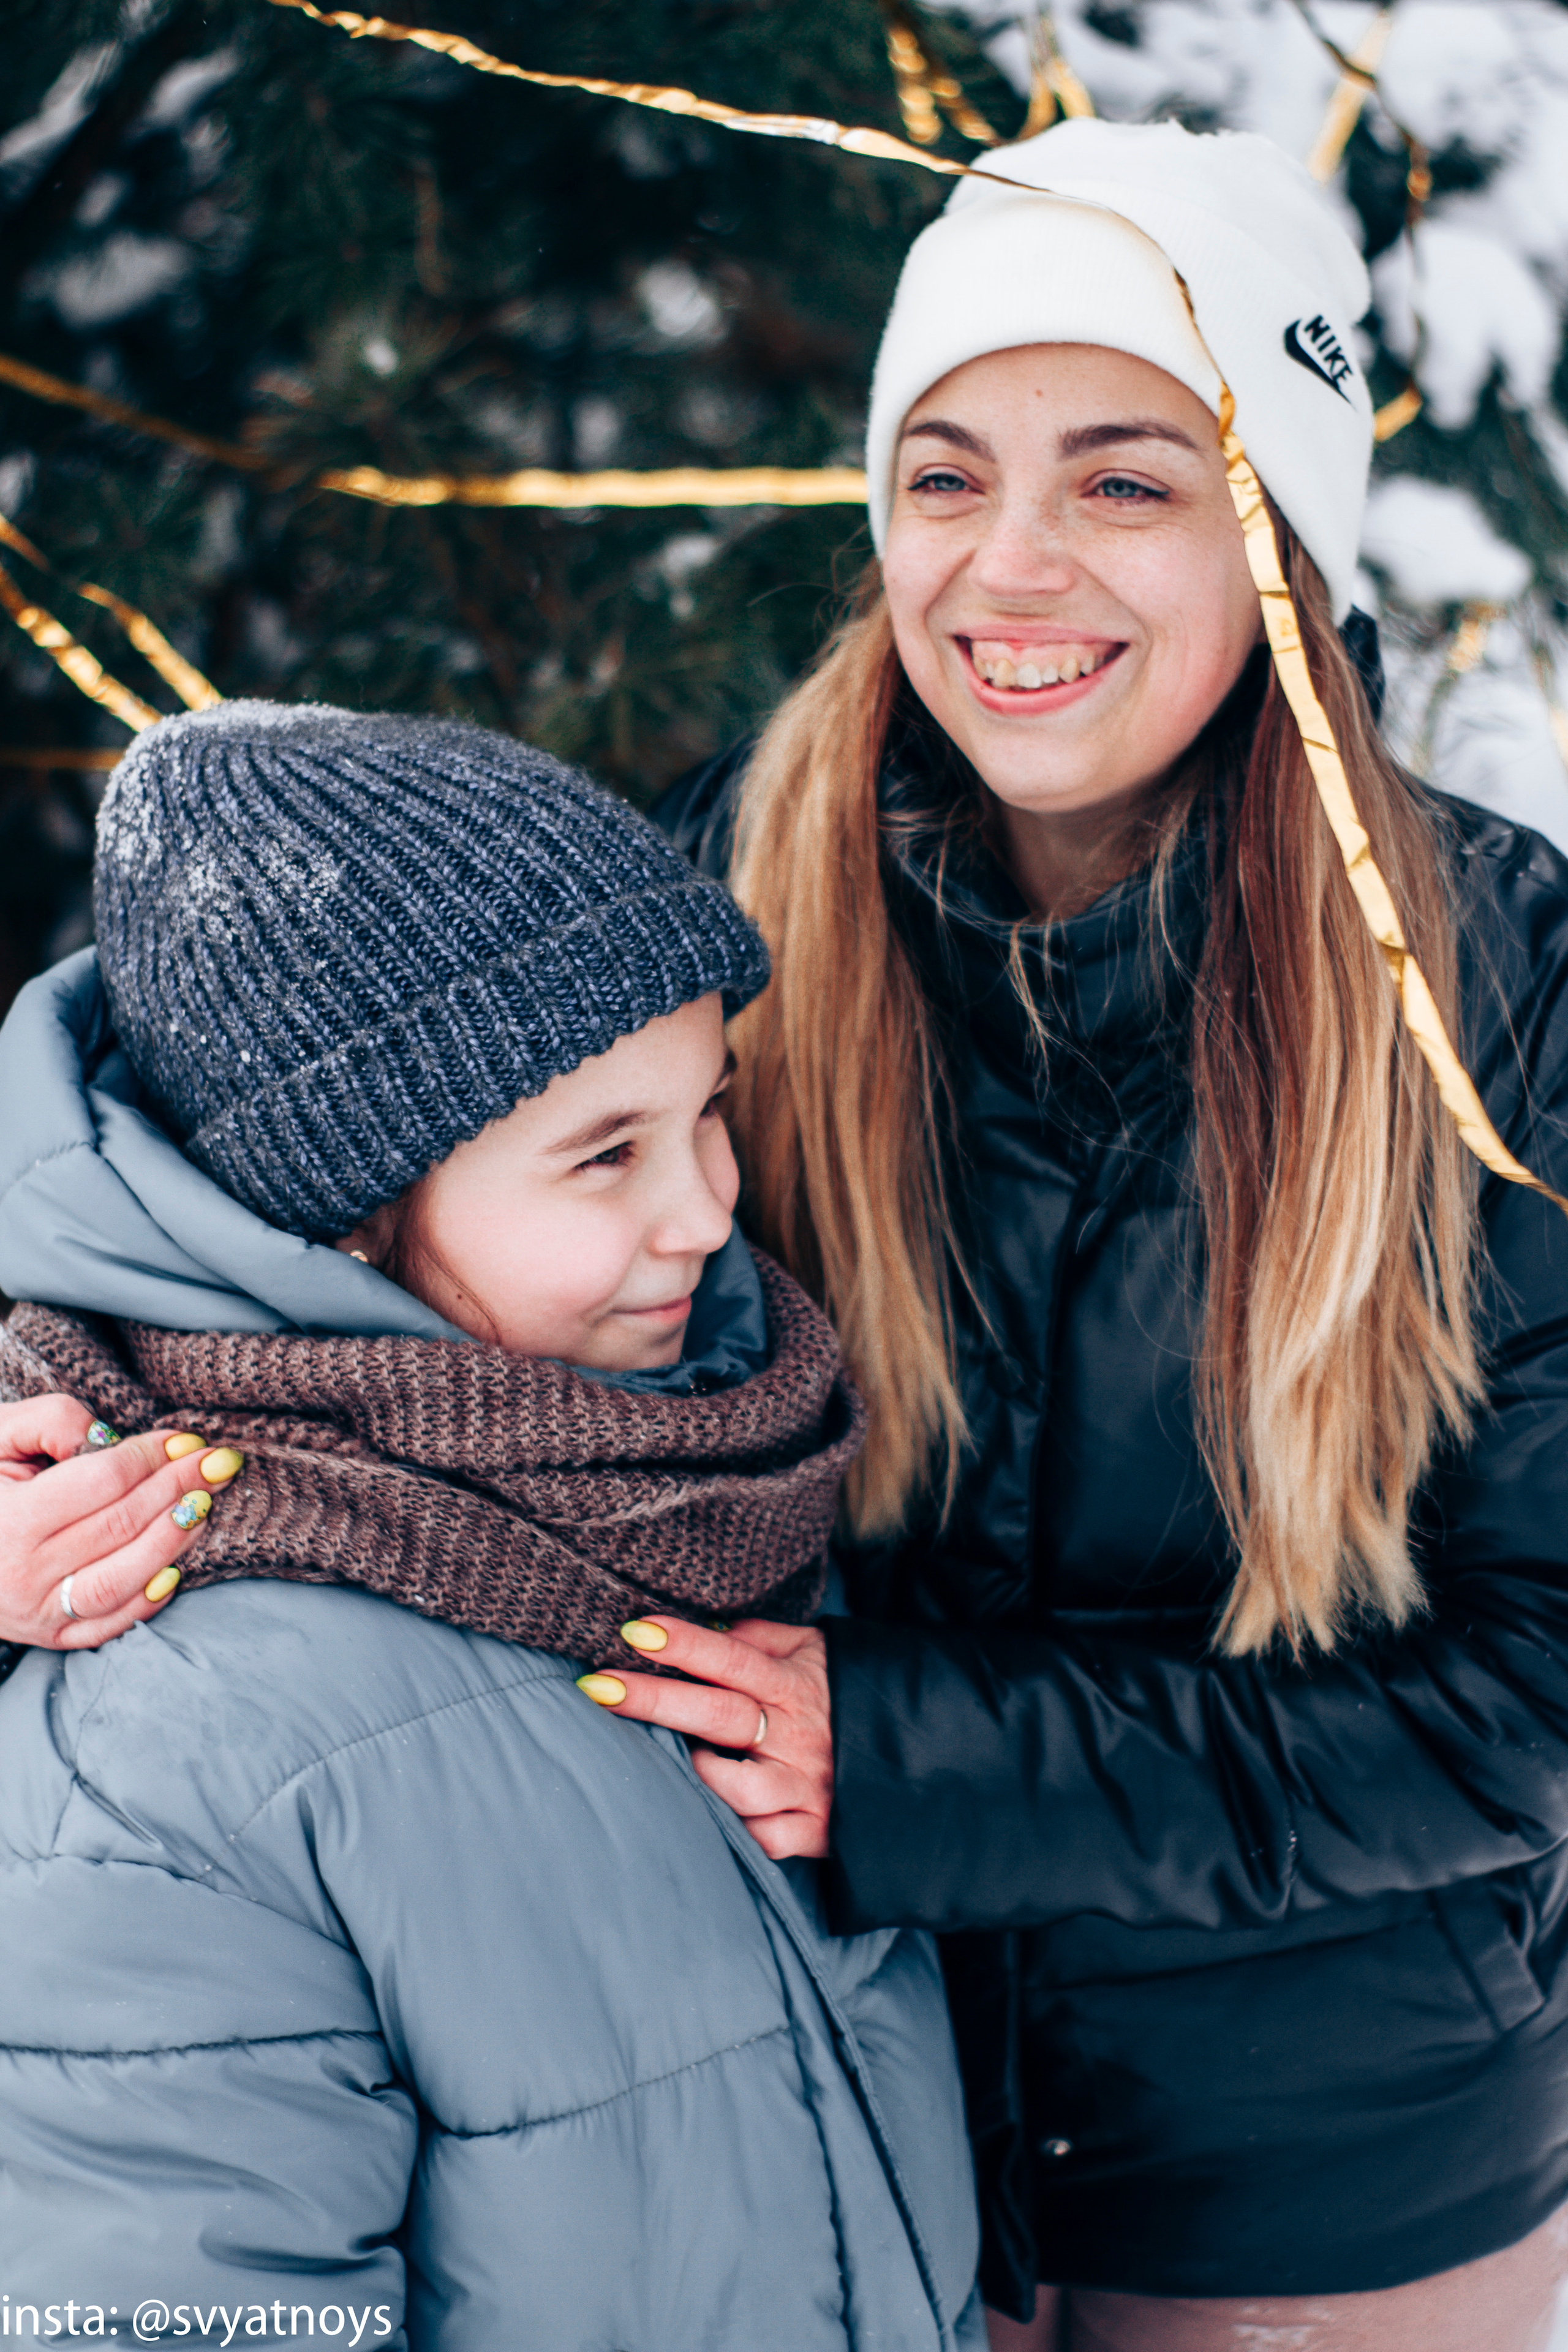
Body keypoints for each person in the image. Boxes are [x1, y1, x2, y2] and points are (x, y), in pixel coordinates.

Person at [581, 119, 1568, 2351]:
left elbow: (1538, 1686)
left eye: (1124, 478)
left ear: (1280, 532)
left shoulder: (1503, 999)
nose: (1008, 567)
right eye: (944, 476)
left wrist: (909, 1762)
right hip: (825, 2107)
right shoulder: (717, 896)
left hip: (1329, 2197)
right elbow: (397, 1272)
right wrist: (88, 1439)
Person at [0, 704, 984, 2350]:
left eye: (708, 1114)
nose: (709, 1214)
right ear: (352, 1221)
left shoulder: (704, 1479)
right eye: (603, 1156)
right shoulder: (175, 1737)